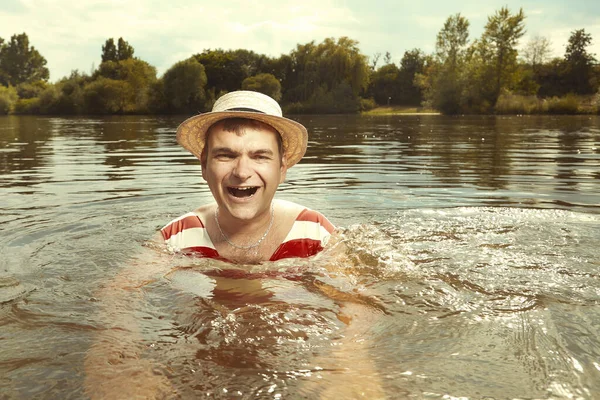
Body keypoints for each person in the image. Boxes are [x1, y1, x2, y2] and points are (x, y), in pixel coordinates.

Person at [160, 90, 334, 264]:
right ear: (204, 165)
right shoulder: (174, 239)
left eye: (260, 156)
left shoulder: (316, 234)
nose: (242, 173)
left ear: (282, 167)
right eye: (226, 155)